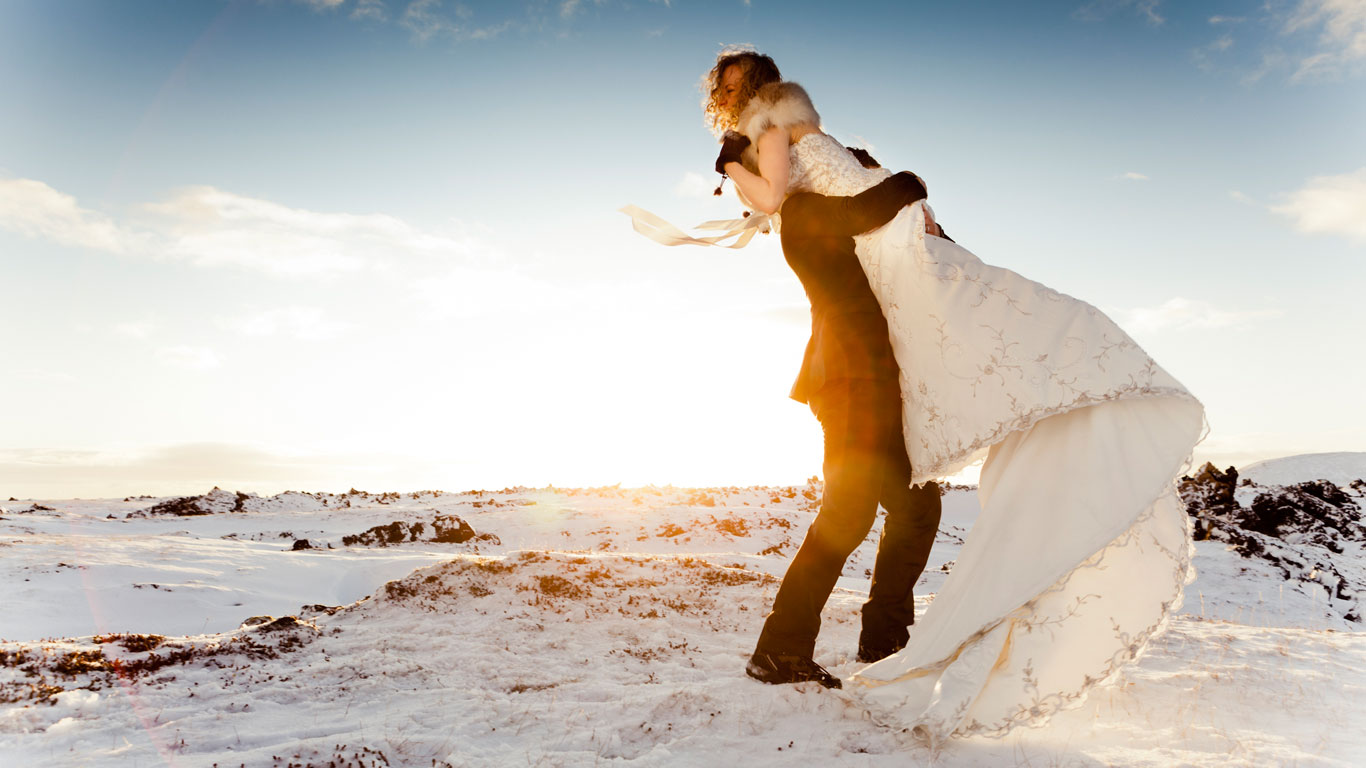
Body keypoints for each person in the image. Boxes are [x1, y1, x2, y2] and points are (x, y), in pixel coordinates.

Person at [684, 47, 1205, 748]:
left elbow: (893, 226)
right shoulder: (805, 212)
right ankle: (782, 650)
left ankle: (878, 643)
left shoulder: (822, 199)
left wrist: (929, 226)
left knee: (915, 508)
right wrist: (910, 183)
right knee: (848, 511)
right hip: (849, 380)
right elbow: (872, 205)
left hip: (877, 375)